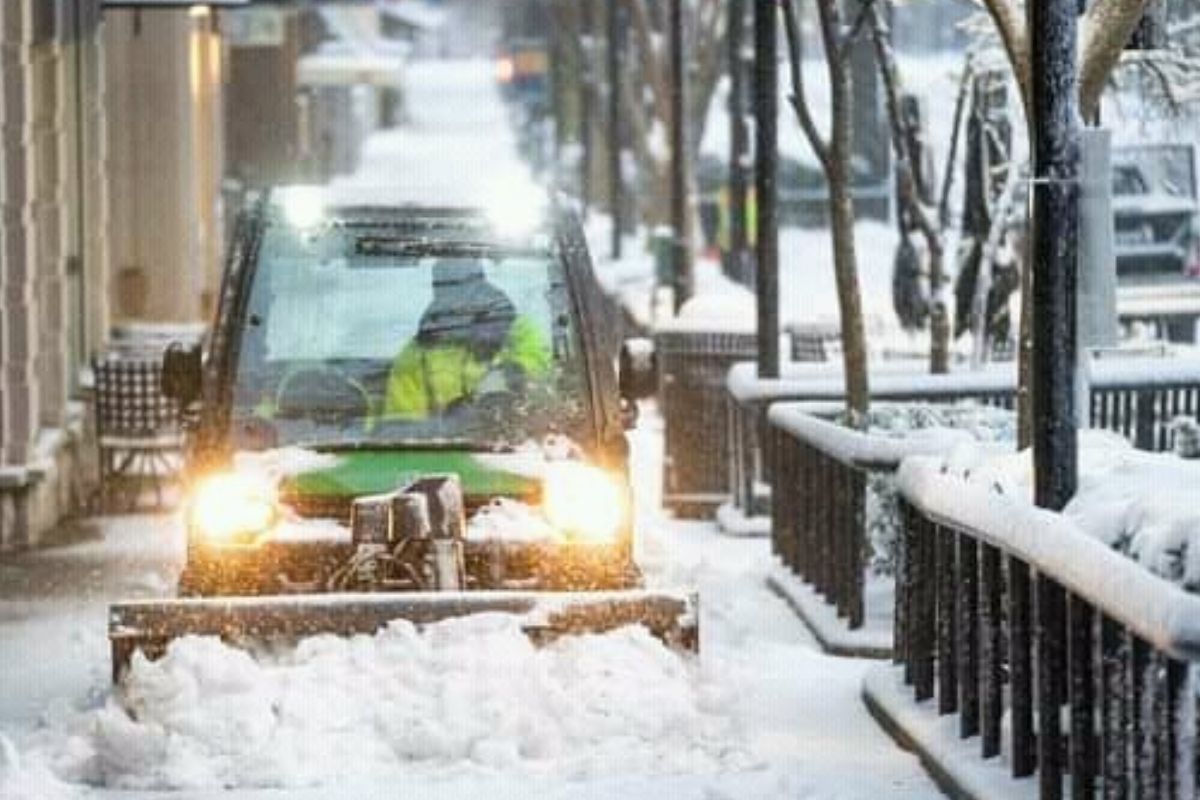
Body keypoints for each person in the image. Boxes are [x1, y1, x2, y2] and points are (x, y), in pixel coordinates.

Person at [383, 259, 551, 419]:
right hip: (447, 443)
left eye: (467, 285)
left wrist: (512, 372)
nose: (460, 296)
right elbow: (402, 423)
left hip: (521, 439)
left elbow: (543, 363)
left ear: (482, 285)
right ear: (437, 292)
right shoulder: (417, 353)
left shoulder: (515, 328)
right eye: (449, 288)